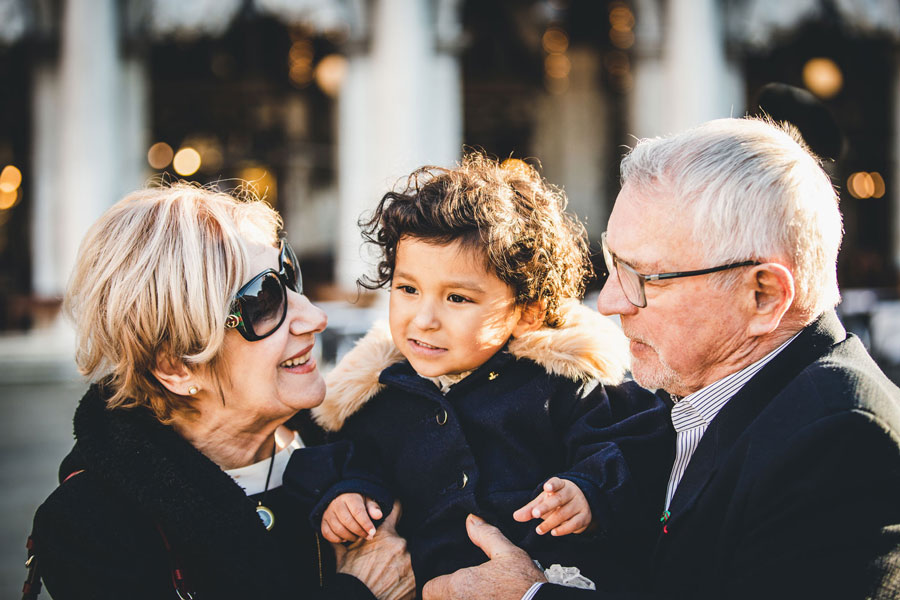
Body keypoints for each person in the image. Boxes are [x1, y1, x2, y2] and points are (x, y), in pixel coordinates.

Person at [422, 117, 900, 600]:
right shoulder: (689, 396)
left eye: (643, 277)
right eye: (612, 264)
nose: (607, 301)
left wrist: (530, 596)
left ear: (763, 295)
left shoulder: (842, 438)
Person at [284, 155, 673, 594]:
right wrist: (349, 496)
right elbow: (346, 462)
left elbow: (635, 445)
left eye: (457, 299)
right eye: (408, 289)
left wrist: (588, 491)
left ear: (527, 312)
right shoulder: (380, 398)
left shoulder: (563, 385)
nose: (424, 319)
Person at [26, 183, 414, 600]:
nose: (315, 317)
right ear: (175, 366)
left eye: (288, 275)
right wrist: (358, 593)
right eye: (263, 301)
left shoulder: (373, 434)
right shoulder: (91, 524)